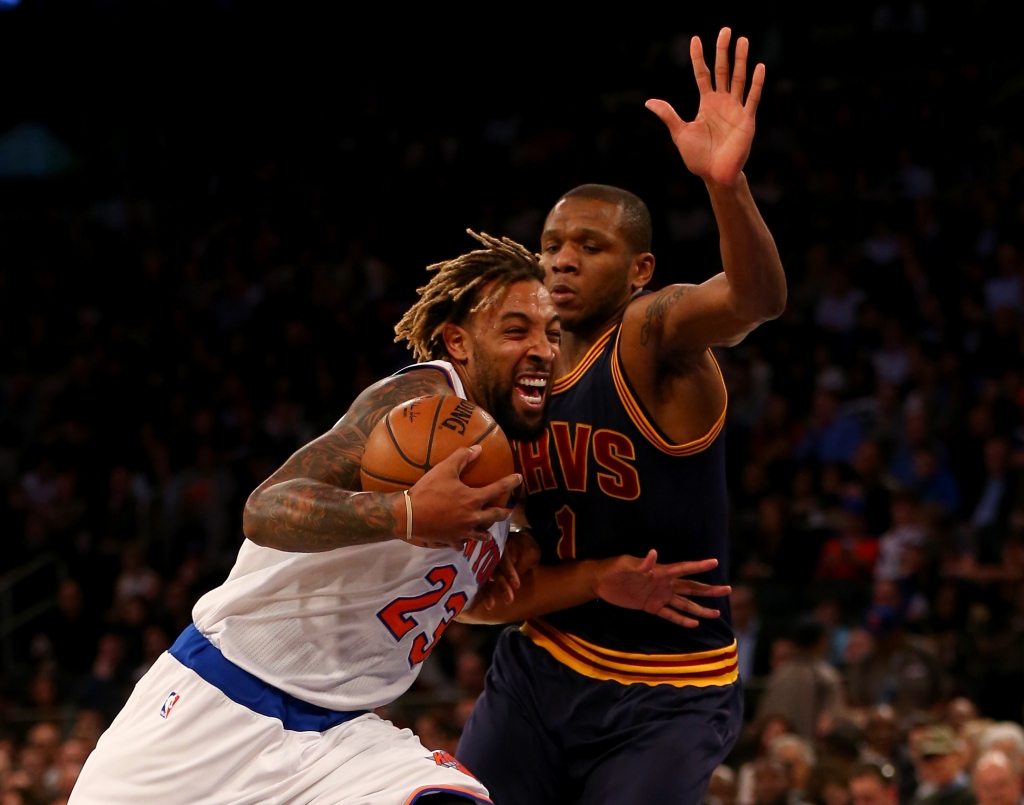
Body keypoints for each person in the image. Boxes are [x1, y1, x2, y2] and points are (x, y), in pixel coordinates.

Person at [457, 27, 786, 805]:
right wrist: (576, 569)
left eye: (590, 245)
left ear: (639, 269)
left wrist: (725, 185)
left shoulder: (647, 338)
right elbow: (478, 596)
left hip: (667, 692)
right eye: (552, 243)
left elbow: (754, 301)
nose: (563, 258)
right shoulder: (506, 375)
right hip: (542, 665)